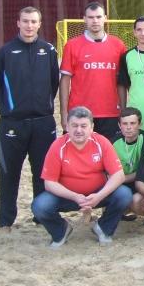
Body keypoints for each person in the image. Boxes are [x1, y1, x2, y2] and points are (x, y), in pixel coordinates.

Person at [0, 6, 59, 230]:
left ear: (40, 24)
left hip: (43, 123)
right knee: (9, 173)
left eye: (34, 21)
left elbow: (53, 83)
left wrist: (40, 106)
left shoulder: (48, 51)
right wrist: (11, 107)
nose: (29, 26)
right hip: (12, 124)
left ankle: (41, 217)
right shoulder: (6, 52)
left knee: (42, 174)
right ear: (18, 23)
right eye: (25, 21)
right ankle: (5, 221)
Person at [31, 106, 131, 247]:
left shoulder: (101, 142)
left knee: (124, 194)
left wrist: (98, 196)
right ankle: (61, 230)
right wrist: (75, 197)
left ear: (91, 127)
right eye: (74, 125)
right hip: (67, 196)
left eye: (83, 126)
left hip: (97, 195)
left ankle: (103, 228)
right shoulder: (57, 146)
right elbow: (49, 183)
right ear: (67, 126)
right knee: (40, 206)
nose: (79, 130)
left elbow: (118, 175)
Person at [59, 1, 127, 138]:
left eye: (98, 17)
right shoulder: (72, 45)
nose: (95, 21)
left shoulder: (118, 45)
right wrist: (63, 113)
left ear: (105, 18)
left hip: (111, 113)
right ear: (84, 19)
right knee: (78, 157)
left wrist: (124, 111)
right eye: (90, 17)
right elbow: (65, 81)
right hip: (80, 114)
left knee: (108, 156)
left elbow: (121, 82)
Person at [110, 107, 144, 222]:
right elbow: (109, 171)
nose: (128, 127)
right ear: (119, 125)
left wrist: (119, 179)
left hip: (143, 180)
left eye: (133, 123)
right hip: (123, 181)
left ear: (140, 124)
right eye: (125, 123)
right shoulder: (113, 143)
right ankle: (118, 212)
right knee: (110, 188)